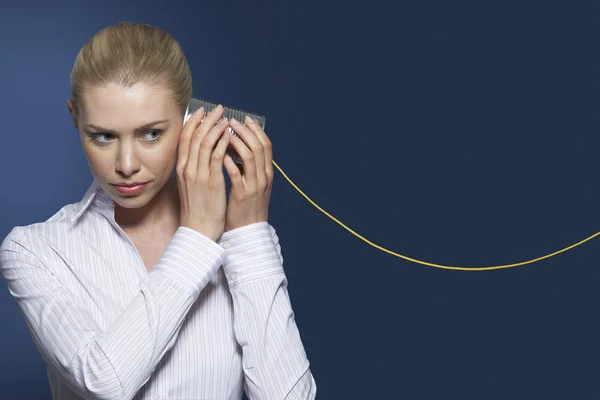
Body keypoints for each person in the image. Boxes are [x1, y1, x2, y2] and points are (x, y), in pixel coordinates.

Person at [0, 21, 316, 400]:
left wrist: (249, 235)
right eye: (103, 136)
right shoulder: (34, 251)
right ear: (75, 119)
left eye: (151, 133)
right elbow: (104, 382)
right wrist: (197, 237)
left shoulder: (239, 244)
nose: (127, 163)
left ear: (189, 120)